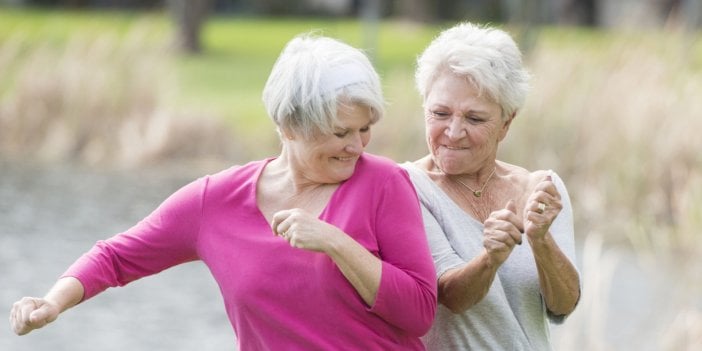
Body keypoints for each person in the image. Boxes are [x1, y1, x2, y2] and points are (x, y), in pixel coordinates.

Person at [10, 34, 437, 350]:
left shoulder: (384, 183)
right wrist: (54, 301)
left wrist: (335, 242)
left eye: (365, 129)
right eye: (340, 132)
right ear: (289, 128)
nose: (357, 146)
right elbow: (117, 257)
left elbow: (419, 312)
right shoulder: (214, 201)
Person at [401, 23, 581, 350]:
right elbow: (450, 296)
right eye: (440, 113)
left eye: (474, 119)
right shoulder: (406, 185)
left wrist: (540, 240)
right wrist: (490, 258)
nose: (453, 132)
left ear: (506, 123)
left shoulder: (542, 189)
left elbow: (563, 306)